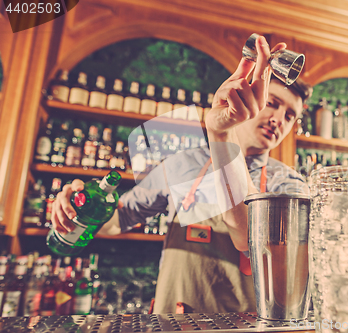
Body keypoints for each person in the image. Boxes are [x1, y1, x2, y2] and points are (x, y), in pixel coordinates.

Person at [50, 36, 313, 314]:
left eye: (289, 116)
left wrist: (222, 133)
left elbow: (252, 239)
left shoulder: (288, 184)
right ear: (251, 95)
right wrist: (79, 212)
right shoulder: (181, 164)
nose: (278, 119)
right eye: (272, 103)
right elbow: (117, 221)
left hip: (240, 326)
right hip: (170, 321)